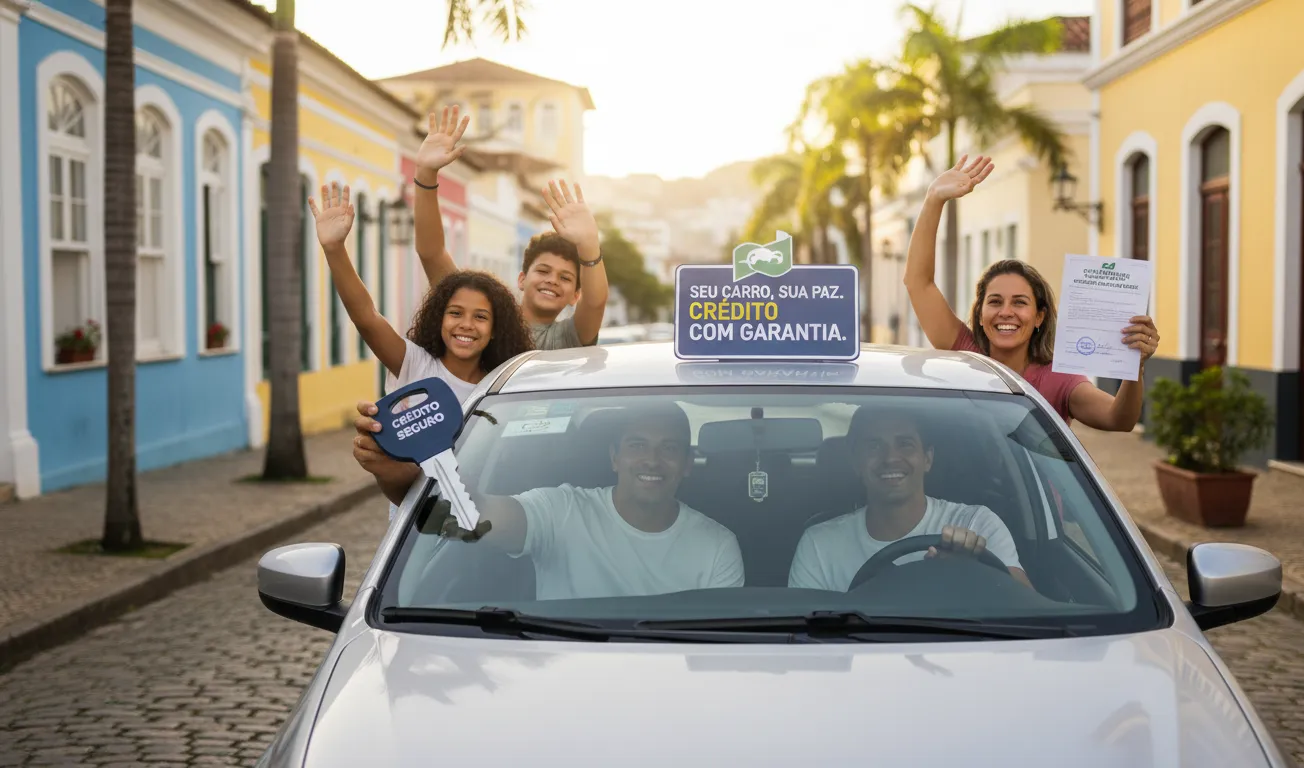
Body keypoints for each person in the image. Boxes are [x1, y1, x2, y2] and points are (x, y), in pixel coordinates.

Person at [357, 401, 745, 600]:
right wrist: (420, 460)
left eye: (669, 448)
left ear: (688, 464)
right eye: (637, 445)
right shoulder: (561, 511)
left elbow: (718, 652)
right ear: (614, 457)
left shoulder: (717, 545)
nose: (652, 460)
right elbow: (475, 515)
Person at [903, 154, 1161, 430]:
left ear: (1039, 316)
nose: (1006, 312)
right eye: (995, 301)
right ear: (979, 314)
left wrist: (1135, 366)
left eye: (1019, 302)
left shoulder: (1058, 379)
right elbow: (918, 282)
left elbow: (1117, 420)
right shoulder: (964, 352)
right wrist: (934, 198)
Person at [310, 182, 534, 406]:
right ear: (440, 318)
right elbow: (366, 316)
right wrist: (334, 249)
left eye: (481, 316)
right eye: (455, 313)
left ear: (496, 329)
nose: (466, 324)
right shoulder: (416, 365)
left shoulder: (503, 384)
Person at [411, 105, 610, 349]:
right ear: (522, 279)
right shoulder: (483, 320)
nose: (552, 281)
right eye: (543, 270)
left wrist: (589, 244)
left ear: (575, 296)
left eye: (565, 277)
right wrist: (426, 175)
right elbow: (431, 253)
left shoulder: (567, 339)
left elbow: (595, 303)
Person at [788, 406, 1033, 592]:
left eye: (905, 444)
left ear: (928, 458)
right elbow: (807, 644)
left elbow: (1028, 607)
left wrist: (973, 573)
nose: (890, 458)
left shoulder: (977, 524)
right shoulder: (819, 545)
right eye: (874, 446)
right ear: (855, 462)